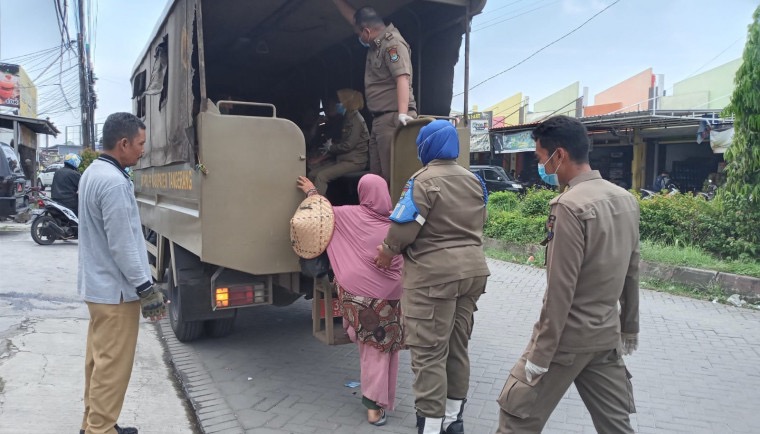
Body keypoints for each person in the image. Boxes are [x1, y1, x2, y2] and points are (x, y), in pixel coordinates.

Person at [495, 115, 639, 434]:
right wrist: (629, 327)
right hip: (605, 337)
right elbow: (632, 270)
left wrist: (539, 355)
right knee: (616, 426)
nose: (542, 166)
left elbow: (560, 290)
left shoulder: (569, 206)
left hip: (566, 341)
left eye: (541, 157)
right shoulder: (625, 200)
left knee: (515, 418)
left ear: (559, 155)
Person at [374, 120, 490, 434]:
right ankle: (454, 422)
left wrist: (386, 251)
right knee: (456, 348)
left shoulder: (422, 180)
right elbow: (481, 221)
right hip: (473, 272)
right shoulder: (474, 180)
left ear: (426, 147)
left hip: (433, 277)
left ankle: (430, 427)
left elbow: (404, 228)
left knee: (429, 354)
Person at [78, 112, 168, 434]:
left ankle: (96, 423)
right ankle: (99, 430)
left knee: (99, 363)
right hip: (115, 294)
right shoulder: (114, 182)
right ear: (124, 143)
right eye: (141, 144)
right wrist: (146, 288)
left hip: (99, 288)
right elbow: (123, 245)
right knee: (113, 368)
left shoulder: (93, 172)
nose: (143, 150)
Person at [296, 173, 404, 426]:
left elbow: (321, 214)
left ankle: (376, 402)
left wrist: (311, 190)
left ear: (362, 194)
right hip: (389, 299)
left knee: (373, 348)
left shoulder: (348, 215)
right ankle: (373, 407)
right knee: (383, 348)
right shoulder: (398, 223)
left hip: (355, 297)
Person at [331, 1, 417, 185]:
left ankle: (393, 213)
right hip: (380, 121)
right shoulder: (376, 43)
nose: (358, 37)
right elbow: (355, 19)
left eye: (358, 33)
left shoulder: (392, 45)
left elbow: (402, 77)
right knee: (377, 178)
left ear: (367, 31)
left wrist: (402, 114)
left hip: (393, 119)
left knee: (392, 177)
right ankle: (380, 213)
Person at [308, 89, 370, 195]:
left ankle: (319, 208)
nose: (338, 105)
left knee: (321, 177)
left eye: (340, 102)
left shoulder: (355, 120)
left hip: (354, 161)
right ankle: (310, 203)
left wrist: (331, 147)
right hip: (344, 159)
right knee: (312, 174)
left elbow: (348, 145)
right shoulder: (348, 118)